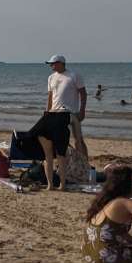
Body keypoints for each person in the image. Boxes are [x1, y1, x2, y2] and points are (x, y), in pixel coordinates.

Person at [31, 54, 86, 190]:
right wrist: (46, 112)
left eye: (53, 63)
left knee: (76, 142)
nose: (51, 66)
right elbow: (50, 96)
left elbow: (83, 93)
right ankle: (50, 184)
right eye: (50, 64)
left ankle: (80, 169)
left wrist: (82, 111)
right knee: (47, 151)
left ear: (61, 63)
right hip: (53, 113)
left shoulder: (73, 75)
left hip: (68, 113)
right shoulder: (51, 78)